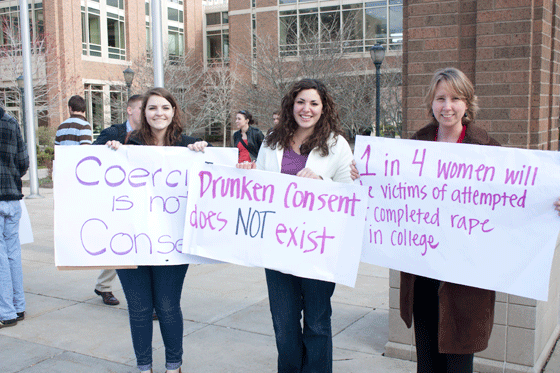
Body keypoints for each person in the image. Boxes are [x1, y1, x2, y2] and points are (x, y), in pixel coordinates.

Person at [237, 78, 353, 372]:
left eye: (314, 103)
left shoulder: (337, 145)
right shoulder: (272, 139)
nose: (307, 108)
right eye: (301, 102)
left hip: (318, 246)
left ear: (323, 108)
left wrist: (322, 182)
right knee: (284, 324)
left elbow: (350, 192)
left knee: (316, 323)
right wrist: (248, 174)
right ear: (291, 105)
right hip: (278, 246)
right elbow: (260, 186)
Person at [400, 67, 500, 373]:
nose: (447, 106)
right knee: (427, 364)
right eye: (440, 98)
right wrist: (366, 177)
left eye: (455, 98)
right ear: (431, 103)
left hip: (466, 279)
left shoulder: (489, 150)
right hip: (424, 272)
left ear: (467, 104)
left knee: (459, 365)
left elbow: (513, 204)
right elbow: (393, 194)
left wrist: (548, 204)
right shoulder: (413, 147)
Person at [106, 87, 208, 373]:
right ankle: (143, 367)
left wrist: (204, 155)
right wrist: (109, 154)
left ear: (173, 111)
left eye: (165, 107)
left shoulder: (189, 146)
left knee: (167, 305)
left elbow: (212, 182)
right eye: (152, 108)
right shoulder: (125, 144)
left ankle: (173, 366)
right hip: (131, 240)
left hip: (171, 242)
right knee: (138, 309)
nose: (158, 113)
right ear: (143, 112)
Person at [90, 94, 144, 307]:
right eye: (143, 108)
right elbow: (90, 158)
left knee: (137, 247)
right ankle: (104, 287)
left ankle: (108, 287)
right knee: (121, 244)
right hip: (116, 200)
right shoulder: (113, 132)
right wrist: (108, 149)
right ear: (130, 110)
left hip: (140, 198)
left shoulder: (150, 136)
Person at [0, 106, 29, 328]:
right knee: (13, 254)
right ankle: (18, 306)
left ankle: (6, 311)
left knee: (2, 257)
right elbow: (23, 161)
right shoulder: (11, 122)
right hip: (12, 197)